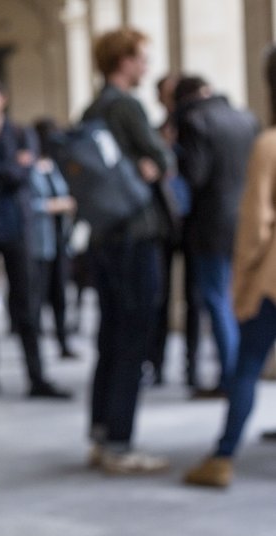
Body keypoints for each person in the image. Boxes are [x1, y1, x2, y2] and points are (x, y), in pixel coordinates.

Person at [184, 50, 276, 489]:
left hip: (271, 279)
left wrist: (242, 283)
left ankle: (222, 456)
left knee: (247, 365)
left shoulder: (269, 144)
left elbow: (255, 224)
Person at [83, 28, 173, 474]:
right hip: (134, 233)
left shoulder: (93, 107)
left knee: (110, 335)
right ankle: (120, 442)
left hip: (104, 234)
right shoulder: (126, 106)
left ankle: (102, 434)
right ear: (124, 61)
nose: (146, 66)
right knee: (134, 336)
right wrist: (153, 163)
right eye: (141, 58)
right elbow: (162, 158)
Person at [0, 74, 71, 399]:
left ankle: (36, 374)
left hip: (16, 226)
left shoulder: (21, 134)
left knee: (26, 303)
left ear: (1, 99)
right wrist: (3, 170)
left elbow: (22, 175)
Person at [173, 75, 259, 398]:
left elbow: (195, 176)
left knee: (217, 298)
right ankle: (241, 375)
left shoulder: (195, 122)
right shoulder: (246, 119)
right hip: (245, 221)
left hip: (211, 225)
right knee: (238, 300)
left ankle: (232, 377)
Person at [149, 73, 201, 390]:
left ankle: (192, 366)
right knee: (160, 295)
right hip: (164, 223)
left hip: (192, 223)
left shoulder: (196, 129)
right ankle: (156, 363)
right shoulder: (156, 132)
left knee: (194, 297)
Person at [28, 118, 79, 359]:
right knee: (37, 293)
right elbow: (27, 204)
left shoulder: (56, 165)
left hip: (60, 238)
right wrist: (53, 206)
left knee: (60, 292)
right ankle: (34, 346)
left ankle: (63, 340)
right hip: (39, 239)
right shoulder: (28, 166)